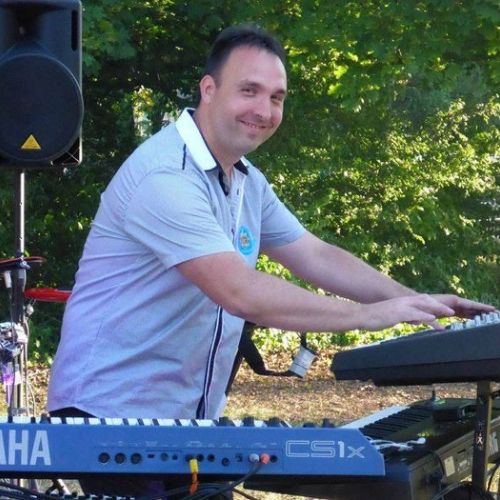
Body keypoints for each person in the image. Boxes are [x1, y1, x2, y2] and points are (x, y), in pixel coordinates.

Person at [47, 23, 494, 496]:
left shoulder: (246, 180)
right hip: (111, 418)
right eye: (249, 91)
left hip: (181, 424)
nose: (264, 110)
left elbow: (314, 255)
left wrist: (415, 301)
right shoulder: (165, 176)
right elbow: (241, 292)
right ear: (208, 89)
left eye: (276, 97)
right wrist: (371, 315)